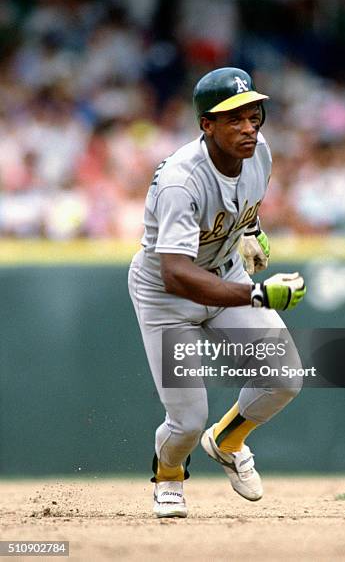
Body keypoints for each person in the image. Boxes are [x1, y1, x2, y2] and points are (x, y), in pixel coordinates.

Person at [128, 67, 306, 518]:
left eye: (253, 114)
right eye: (233, 118)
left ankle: (227, 441)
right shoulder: (180, 181)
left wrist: (251, 232)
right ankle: (169, 474)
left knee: (284, 375)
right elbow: (176, 275)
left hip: (225, 272)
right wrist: (258, 296)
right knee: (187, 421)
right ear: (206, 125)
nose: (248, 127)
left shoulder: (259, 152)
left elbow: (243, 208)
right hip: (166, 297)